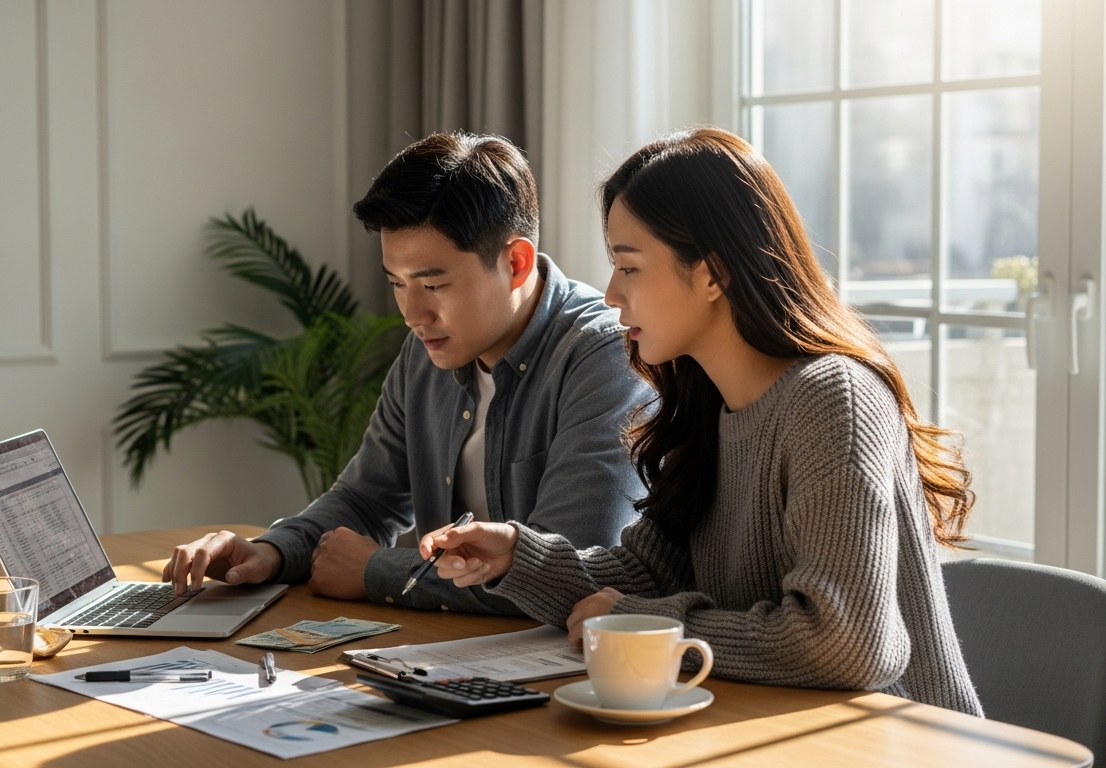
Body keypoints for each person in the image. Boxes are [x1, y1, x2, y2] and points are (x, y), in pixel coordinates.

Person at [419, 127, 984, 715]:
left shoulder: (832, 399)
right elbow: (648, 573)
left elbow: (847, 643)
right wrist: (517, 555)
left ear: (712, 274)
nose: (611, 293)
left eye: (628, 266)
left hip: (898, 741)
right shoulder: (706, 404)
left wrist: (644, 622)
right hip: (772, 731)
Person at [161, 132, 647, 614]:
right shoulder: (429, 351)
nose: (413, 314)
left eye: (433, 284)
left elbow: (571, 569)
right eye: (397, 283)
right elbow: (367, 500)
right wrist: (270, 552)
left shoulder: (605, 353)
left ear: (516, 263)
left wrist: (379, 572)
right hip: (452, 655)